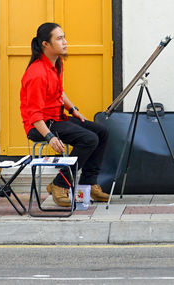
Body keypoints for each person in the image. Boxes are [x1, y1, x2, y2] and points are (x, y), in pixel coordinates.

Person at [19, 21, 111, 208]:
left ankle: (88, 184)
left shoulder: (57, 63)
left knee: (101, 132)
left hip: (57, 118)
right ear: (46, 44)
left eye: (64, 37)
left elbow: (59, 92)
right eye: (59, 38)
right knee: (88, 139)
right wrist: (50, 137)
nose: (65, 42)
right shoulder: (36, 73)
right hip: (40, 126)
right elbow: (34, 114)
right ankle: (59, 184)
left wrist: (73, 109)